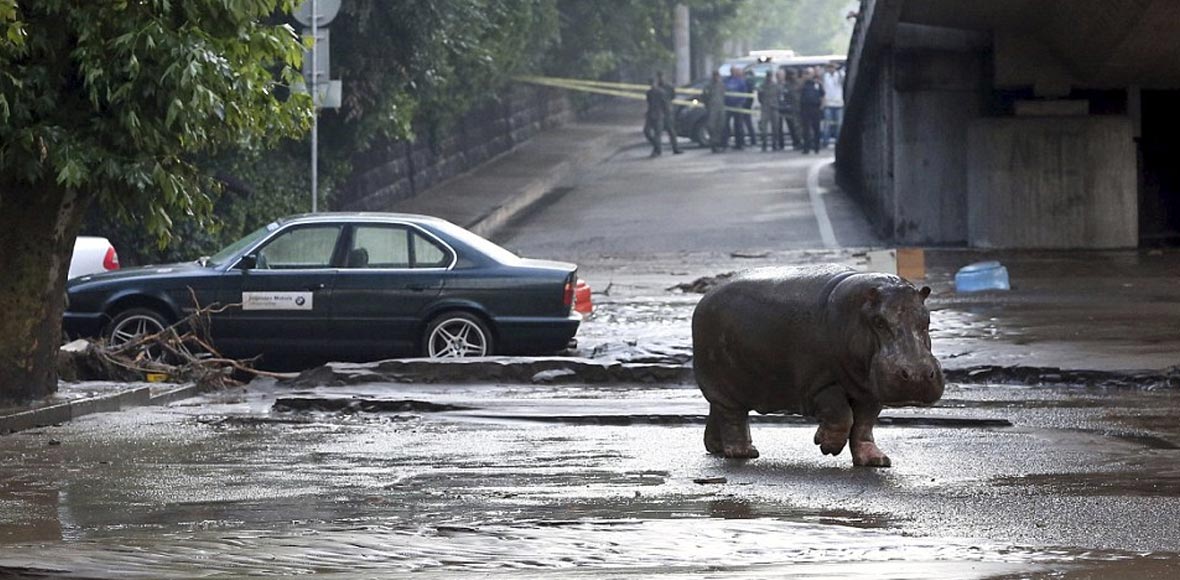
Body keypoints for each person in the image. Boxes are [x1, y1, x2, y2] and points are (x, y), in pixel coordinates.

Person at [643, 76, 680, 157]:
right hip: (652, 114)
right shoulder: (649, 92)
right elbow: (649, 103)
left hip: (661, 114)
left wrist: (667, 114)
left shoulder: (663, 91)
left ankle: (660, 150)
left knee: (661, 133)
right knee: (647, 131)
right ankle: (657, 147)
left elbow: (666, 103)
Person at [798, 67, 825, 154]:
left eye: (809, 73)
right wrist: (803, 79)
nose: (807, 75)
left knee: (816, 128)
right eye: (806, 73)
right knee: (806, 129)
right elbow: (798, 89)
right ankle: (806, 148)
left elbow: (822, 95)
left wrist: (822, 106)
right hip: (805, 108)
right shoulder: (803, 83)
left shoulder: (817, 84)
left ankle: (817, 147)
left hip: (815, 108)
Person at [723, 66, 750, 150]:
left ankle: (740, 143)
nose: (733, 73)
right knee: (725, 125)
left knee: (738, 125)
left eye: (734, 71)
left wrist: (741, 103)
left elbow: (744, 93)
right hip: (728, 106)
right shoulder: (726, 80)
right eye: (731, 71)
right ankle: (725, 142)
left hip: (738, 106)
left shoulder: (740, 81)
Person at [820, 62, 846, 148]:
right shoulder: (825, 76)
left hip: (838, 103)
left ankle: (839, 141)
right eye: (829, 67)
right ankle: (825, 141)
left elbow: (843, 78)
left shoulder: (838, 75)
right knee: (827, 124)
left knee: (839, 124)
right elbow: (821, 75)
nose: (831, 69)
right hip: (828, 103)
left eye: (832, 67)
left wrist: (838, 69)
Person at [701, 70, 727, 153]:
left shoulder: (721, 85)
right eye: (715, 76)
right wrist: (707, 106)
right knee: (711, 126)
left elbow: (724, 95)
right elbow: (704, 97)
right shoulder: (708, 86)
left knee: (720, 126)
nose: (716, 77)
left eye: (717, 76)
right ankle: (713, 143)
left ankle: (718, 143)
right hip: (712, 108)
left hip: (720, 107)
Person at [757, 70, 783, 151]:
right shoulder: (762, 86)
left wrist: (776, 104)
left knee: (775, 127)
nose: (769, 77)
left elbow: (779, 96)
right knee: (763, 128)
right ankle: (764, 144)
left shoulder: (776, 86)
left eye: (770, 75)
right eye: (768, 75)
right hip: (765, 108)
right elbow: (759, 97)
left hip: (774, 108)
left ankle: (774, 144)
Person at [779, 68, 802, 151]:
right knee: (792, 127)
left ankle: (799, 142)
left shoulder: (799, 84)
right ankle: (795, 142)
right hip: (789, 109)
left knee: (798, 127)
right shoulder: (786, 85)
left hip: (797, 108)